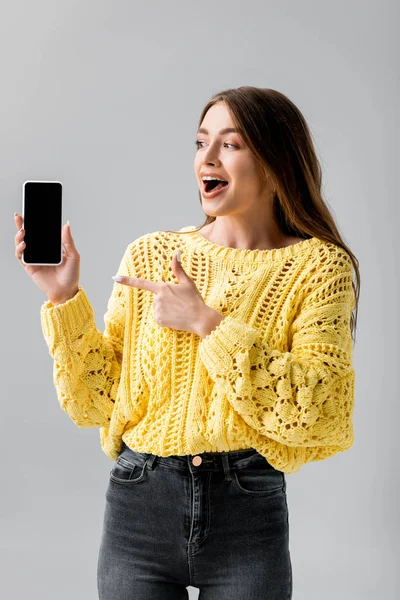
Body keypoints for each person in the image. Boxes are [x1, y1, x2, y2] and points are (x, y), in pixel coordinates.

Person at [14, 86, 360, 600]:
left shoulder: (319, 267)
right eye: (201, 143)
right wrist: (64, 300)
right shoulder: (151, 255)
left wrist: (209, 325)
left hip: (247, 508)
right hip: (139, 504)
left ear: (275, 161)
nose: (208, 158)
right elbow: (97, 403)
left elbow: (318, 410)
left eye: (231, 144)